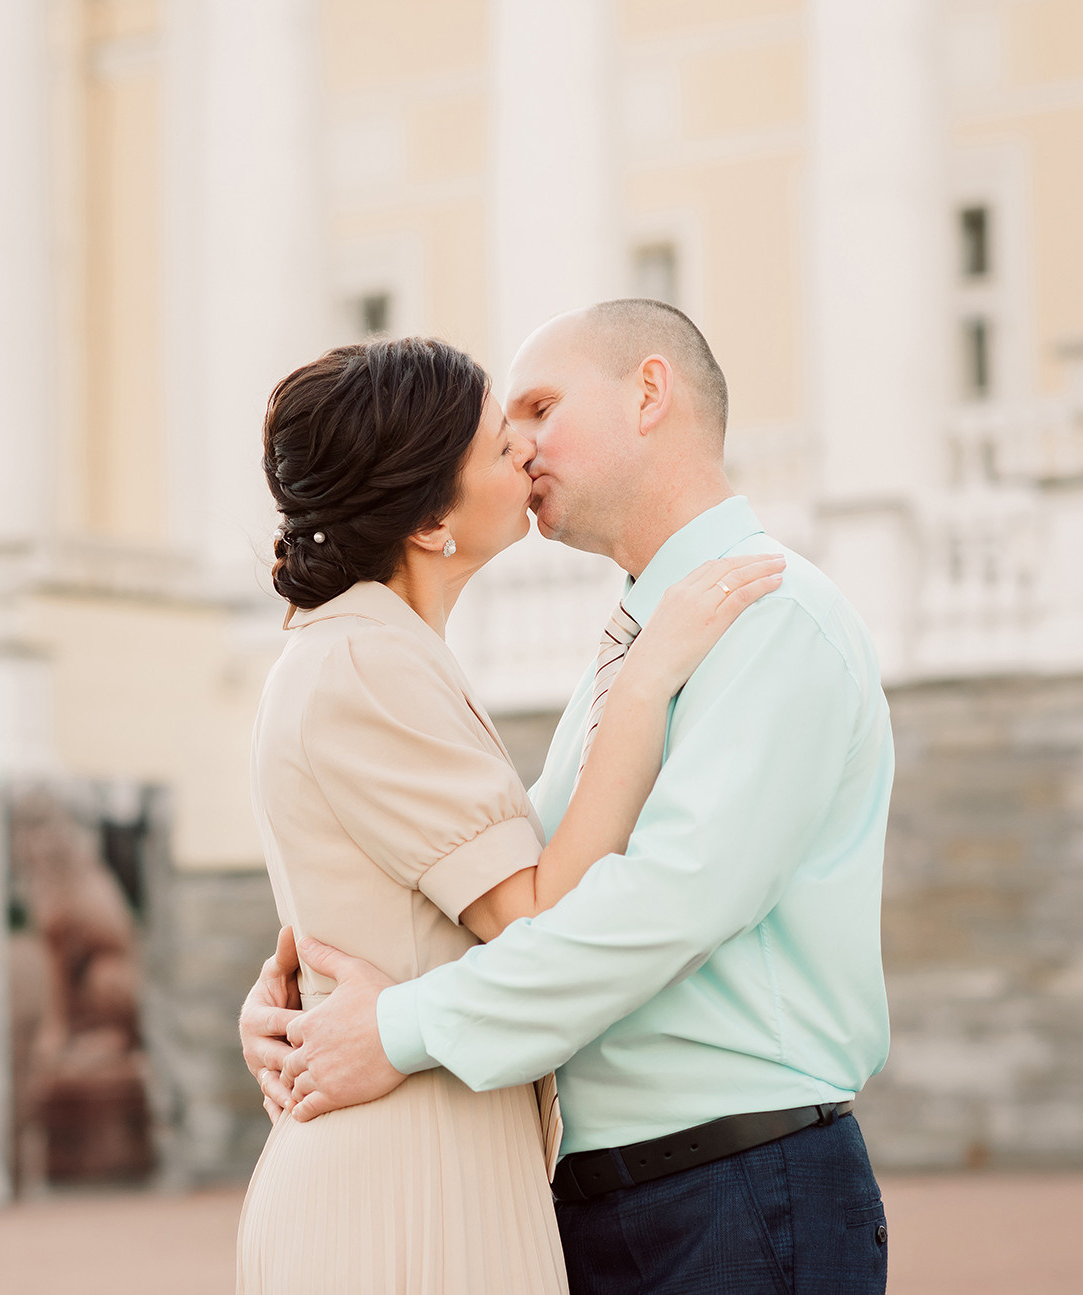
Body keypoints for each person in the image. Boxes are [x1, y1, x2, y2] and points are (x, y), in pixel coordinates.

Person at [243, 300, 895, 1294]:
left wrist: (390, 1026)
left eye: (539, 408)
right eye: (505, 428)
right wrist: (298, 1006)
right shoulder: (634, 648)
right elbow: (508, 891)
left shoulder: (768, 620)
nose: (521, 445)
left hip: (733, 1188)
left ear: (647, 393)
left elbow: (655, 908)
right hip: (603, 1200)